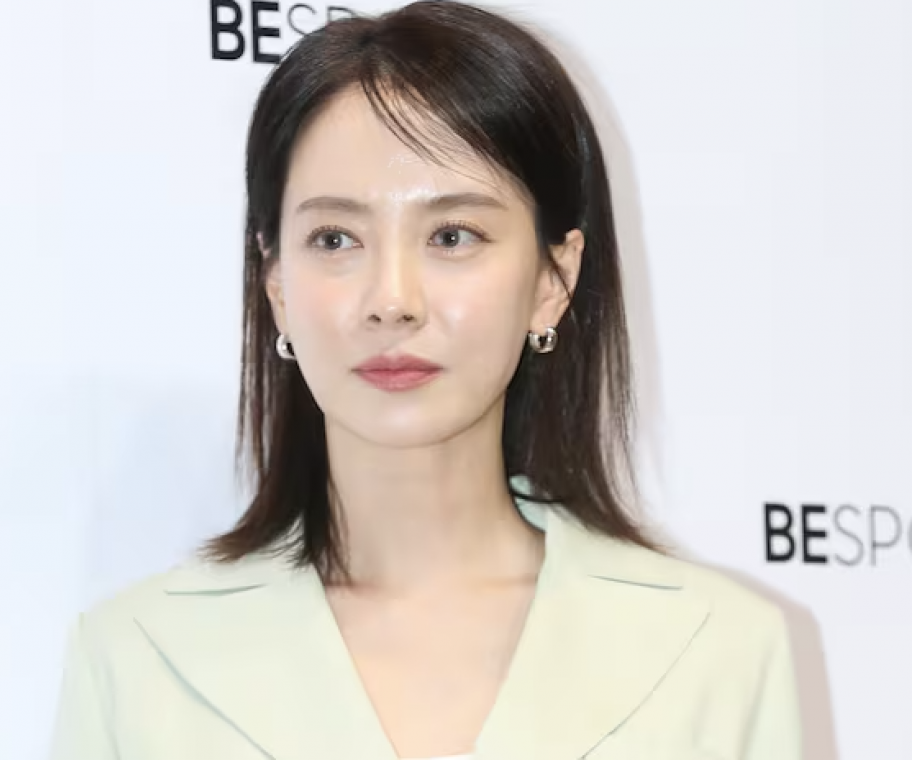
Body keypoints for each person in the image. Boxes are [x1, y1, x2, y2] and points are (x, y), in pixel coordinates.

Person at [48, 2, 803, 758]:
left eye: (451, 236)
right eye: (334, 239)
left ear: (553, 279)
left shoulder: (720, 654)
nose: (391, 301)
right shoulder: (134, 660)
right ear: (276, 282)